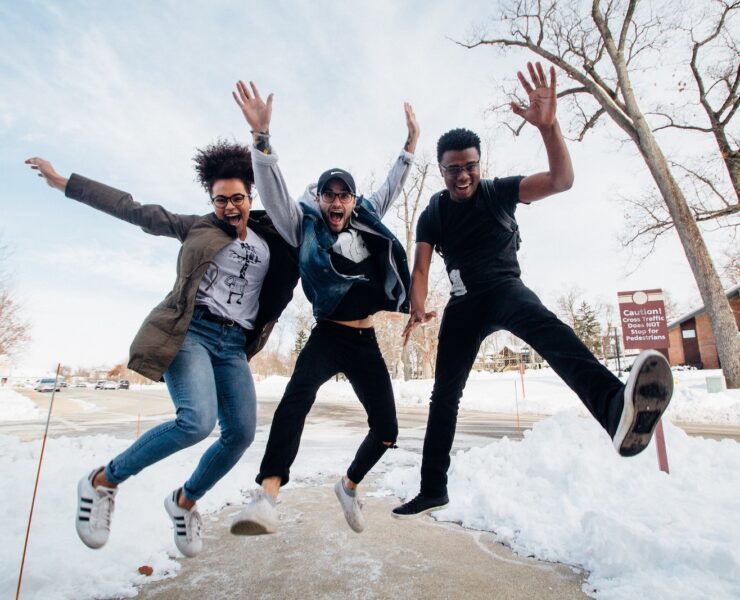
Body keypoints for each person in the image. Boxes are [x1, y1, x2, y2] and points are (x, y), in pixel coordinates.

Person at [392, 62, 673, 519]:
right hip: (464, 305)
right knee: (444, 395)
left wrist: (549, 127)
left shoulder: (500, 191)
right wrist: (418, 307)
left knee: (549, 330)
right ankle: (432, 487)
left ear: (479, 165)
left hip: (504, 288)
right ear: (440, 170)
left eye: (469, 167)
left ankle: (614, 408)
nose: (462, 176)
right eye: (452, 170)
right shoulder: (434, 212)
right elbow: (420, 266)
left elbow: (561, 181)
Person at [25, 142, 298, 556]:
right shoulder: (196, 227)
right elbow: (132, 209)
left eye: (237, 198)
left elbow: (305, 226)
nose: (229, 207)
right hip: (190, 333)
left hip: (233, 346)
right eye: (220, 200)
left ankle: (184, 502)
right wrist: (66, 183)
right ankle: (103, 480)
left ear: (250, 198)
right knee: (196, 421)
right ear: (212, 201)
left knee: (240, 434)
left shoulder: (271, 237)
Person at [228, 81, 419, 534]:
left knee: (388, 429)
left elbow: (393, 184)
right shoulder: (303, 226)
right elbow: (273, 194)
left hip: (364, 337)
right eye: (328, 195)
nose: (336, 202)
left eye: (343, 195)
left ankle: (349, 485)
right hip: (328, 334)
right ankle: (267, 496)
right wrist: (262, 141)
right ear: (320, 199)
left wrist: (410, 145)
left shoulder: (367, 216)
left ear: (352, 200)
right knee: (294, 403)